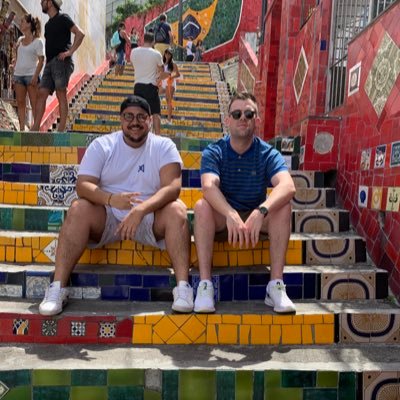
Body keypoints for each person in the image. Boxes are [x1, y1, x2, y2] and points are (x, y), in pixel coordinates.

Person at [39, 95, 194, 316]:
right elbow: (83, 185)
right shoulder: (103, 145)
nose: (135, 122)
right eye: (129, 116)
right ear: (120, 119)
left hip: (149, 218)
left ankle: (183, 288)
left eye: (141, 117)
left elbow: (173, 187)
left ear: (150, 120)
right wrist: (111, 200)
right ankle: (57, 288)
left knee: (178, 209)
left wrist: (140, 209)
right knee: (78, 208)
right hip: (108, 216)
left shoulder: (163, 146)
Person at [193, 92, 297, 314]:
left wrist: (261, 211)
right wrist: (230, 214)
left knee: (283, 206)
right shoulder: (215, 151)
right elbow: (209, 187)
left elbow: (288, 186)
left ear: (256, 120)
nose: (243, 118)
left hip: (253, 217)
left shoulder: (267, 152)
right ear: (227, 119)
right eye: (237, 113)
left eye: (249, 114)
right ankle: (205, 285)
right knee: (202, 206)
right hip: (223, 217)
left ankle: (275, 286)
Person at [31, 0, 84, 132]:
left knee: (61, 93)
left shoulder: (63, 18)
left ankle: (61, 129)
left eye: (43, 1)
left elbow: (80, 33)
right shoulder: (48, 25)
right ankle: (35, 127)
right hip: (49, 64)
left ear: (49, 3)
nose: (41, 3)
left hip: (61, 62)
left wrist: (70, 52)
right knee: (41, 92)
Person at [130, 32, 170, 135]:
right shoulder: (156, 53)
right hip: (151, 86)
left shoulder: (134, 52)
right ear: (153, 41)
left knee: (139, 112)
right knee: (156, 112)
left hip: (138, 86)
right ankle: (157, 136)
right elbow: (161, 71)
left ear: (143, 39)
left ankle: (138, 134)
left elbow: (133, 67)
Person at [13, 14, 44, 131]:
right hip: (18, 76)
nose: (20, 23)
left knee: (34, 104)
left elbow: (41, 60)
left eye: (22, 21)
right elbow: (19, 56)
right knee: (20, 103)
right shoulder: (20, 40)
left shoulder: (38, 42)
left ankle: (35, 129)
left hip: (31, 76)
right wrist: (15, 63)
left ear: (29, 24)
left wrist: (36, 76)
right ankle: (21, 130)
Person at [160, 48, 180, 123]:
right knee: (156, 94)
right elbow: (161, 74)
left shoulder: (173, 64)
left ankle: (169, 119)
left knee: (169, 100)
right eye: (166, 53)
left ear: (171, 55)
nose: (167, 55)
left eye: (169, 54)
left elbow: (178, 74)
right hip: (163, 82)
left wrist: (170, 76)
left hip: (170, 82)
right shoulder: (163, 64)